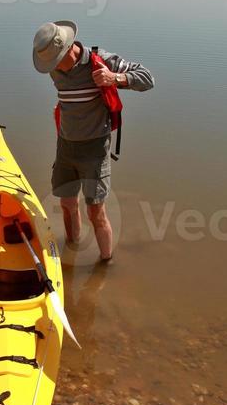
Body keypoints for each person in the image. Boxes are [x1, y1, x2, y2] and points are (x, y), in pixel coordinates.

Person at [32, 20, 154, 261]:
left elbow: (147, 79)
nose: (53, 68)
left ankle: (105, 263)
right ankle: (71, 251)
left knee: (96, 211)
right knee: (67, 204)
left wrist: (114, 78)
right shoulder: (55, 69)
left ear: (69, 49)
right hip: (65, 148)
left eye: (55, 62)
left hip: (95, 149)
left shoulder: (102, 61)